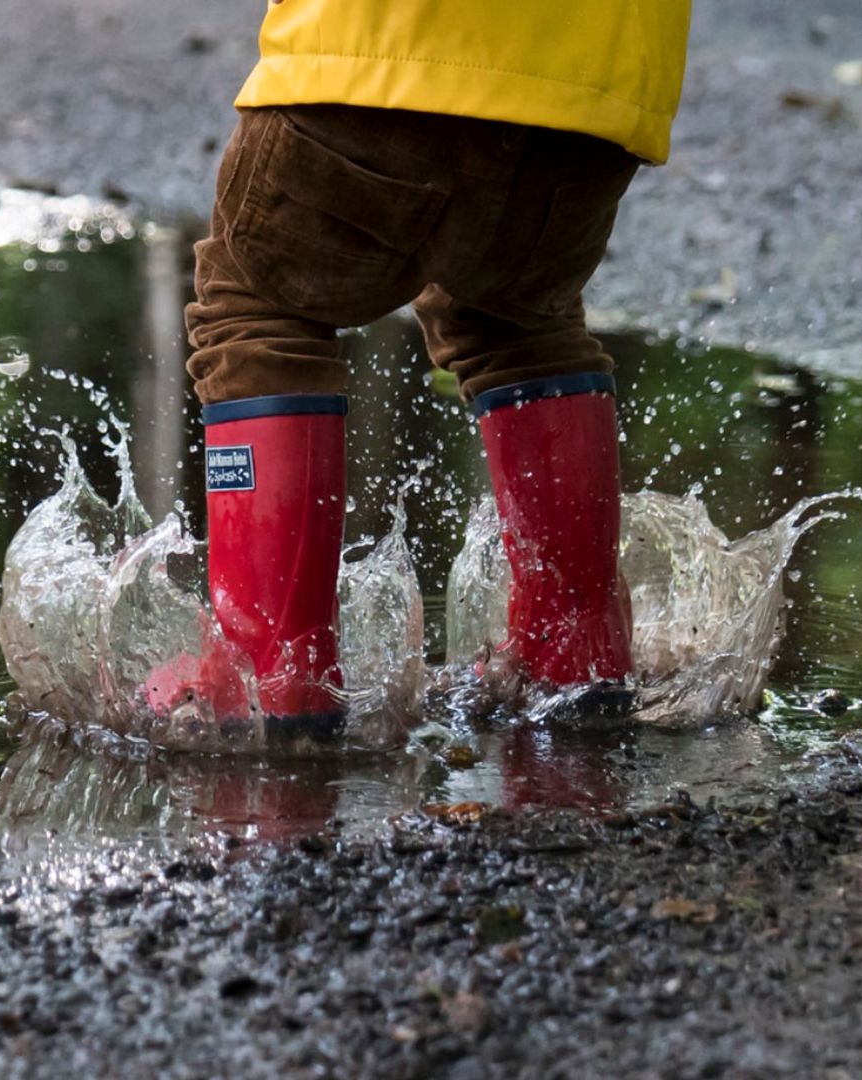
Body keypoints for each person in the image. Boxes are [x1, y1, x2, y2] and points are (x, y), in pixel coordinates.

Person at [159, 0, 693, 732]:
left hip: (391, 51)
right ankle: (574, 657)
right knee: (518, 321)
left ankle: (271, 680)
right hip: (594, 99)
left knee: (255, 307)